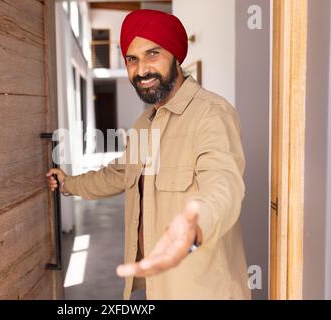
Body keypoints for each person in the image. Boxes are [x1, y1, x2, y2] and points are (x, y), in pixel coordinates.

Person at [46, 9, 250, 300]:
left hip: (201, 288)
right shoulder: (145, 122)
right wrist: (68, 184)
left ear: (175, 57)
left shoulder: (211, 114)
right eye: (132, 59)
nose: (141, 70)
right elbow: (120, 174)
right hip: (156, 285)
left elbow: (224, 184)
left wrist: (196, 227)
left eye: (152, 54)